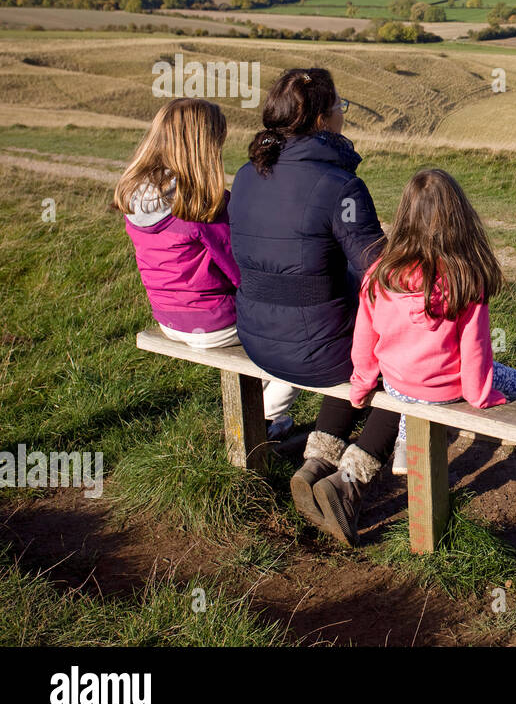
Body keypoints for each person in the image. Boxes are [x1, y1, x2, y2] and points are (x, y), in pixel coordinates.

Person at [228, 68, 398, 546]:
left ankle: (317, 461)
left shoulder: (245, 175)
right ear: (323, 120)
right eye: (341, 105)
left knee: (339, 340)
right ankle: (348, 485)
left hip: (259, 340)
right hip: (314, 351)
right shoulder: (339, 187)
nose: (345, 112)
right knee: (403, 368)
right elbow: (381, 275)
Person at [114, 97, 299, 438]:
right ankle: (269, 417)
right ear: (204, 146)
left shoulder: (136, 198)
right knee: (307, 332)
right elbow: (242, 271)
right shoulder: (202, 204)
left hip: (169, 318)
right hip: (214, 323)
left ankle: (265, 408)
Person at [349, 168, 516, 478]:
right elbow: (476, 351)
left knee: (415, 390)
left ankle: (406, 445)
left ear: (405, 216)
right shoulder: (465, 280)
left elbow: (364, 339)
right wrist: (479, 396)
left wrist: (361, 385)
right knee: (512, 379)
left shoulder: (380, 273)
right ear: (458, 218)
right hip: (445, 387)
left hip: (397, 383)